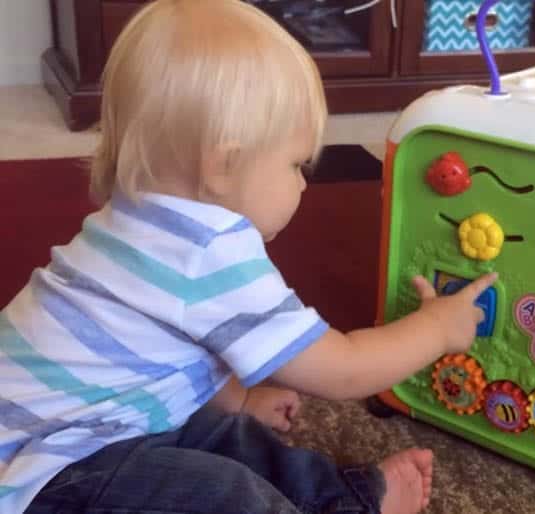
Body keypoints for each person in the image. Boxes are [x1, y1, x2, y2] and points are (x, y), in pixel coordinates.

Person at [1, 1, 497, 513]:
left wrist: (238, 400)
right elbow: (343, 369)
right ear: (222, 165)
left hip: (91, 430)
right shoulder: (209, 252)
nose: (304, 183)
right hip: (45, 475)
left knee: (220, 435)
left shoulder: (131, 222)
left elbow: (164, 352)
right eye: (296, 164)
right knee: (220, 492)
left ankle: (346, 499)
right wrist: (436, 328)